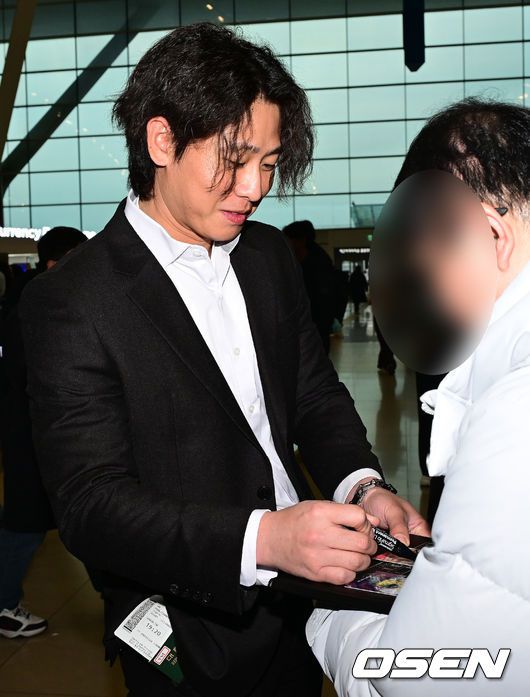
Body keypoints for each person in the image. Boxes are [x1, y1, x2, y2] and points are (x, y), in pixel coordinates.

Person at [20, 24, 427, 697]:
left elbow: (314, 394)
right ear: (161, 141)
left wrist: (361, 486)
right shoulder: (74, 300)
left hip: (307, 600)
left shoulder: (266, 258)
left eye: (269, 163)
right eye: (235, 160)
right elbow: (92, 504)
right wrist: (265, 540)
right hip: (189, 625)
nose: (255, 186)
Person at [307, 98, 530, 696]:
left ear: (490, 235)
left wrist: (329, 618)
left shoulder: (515, 415)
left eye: (428, 262)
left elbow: (424, 678)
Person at [0, 226, 86, 639]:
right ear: (55, 263)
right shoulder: (35, 310)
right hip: (34, 439)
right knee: (26, 524)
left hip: (40, 436)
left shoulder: (34, 302)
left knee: (81, 517)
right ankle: (3, 606)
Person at [283, 219, 337, 353]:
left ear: (301, 240)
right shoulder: (295, 260)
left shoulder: (319, 264)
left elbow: (324, 299)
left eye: (289, 239)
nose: (286, 244)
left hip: (315, 326)